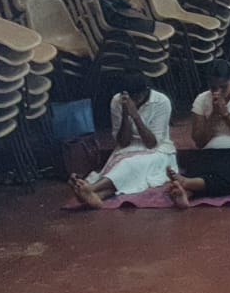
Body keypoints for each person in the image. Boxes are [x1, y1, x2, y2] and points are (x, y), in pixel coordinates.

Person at [69, 71, 175, 208]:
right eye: (129, 96)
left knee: (129, 165)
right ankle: (97, 197)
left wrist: (135, 116)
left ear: (145, 92)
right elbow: (123, 142)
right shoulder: (117, 100)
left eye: (136, 97)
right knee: (119, 168)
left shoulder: (161, 101)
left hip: (158, 150)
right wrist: (125, 114)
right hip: (128, 147)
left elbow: (151, 143)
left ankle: (91, 189)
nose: (133, 100)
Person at [165, 60, 230, 208]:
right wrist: (214, 116)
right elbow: (199, 141)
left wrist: (226, 114)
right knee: (201, 169)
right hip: (211, 152)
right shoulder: (202, 99)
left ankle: (186, 184)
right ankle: (187, 193)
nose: (217, 92)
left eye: (223, 87)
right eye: (213, 88)